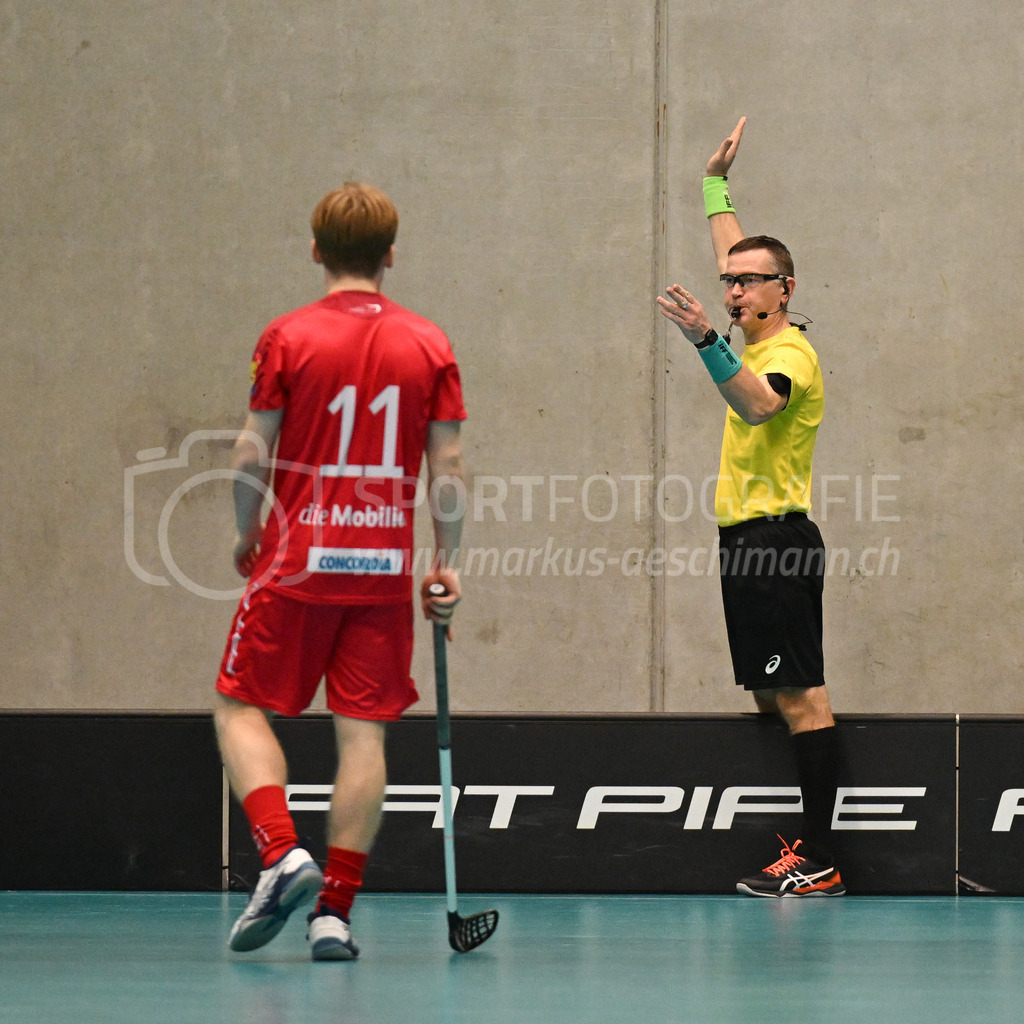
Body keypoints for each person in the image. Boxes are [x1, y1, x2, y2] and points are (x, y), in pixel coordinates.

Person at [212, 182, 467, 959]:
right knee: (364, 738)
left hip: (297, 560)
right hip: (382, 569)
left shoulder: (287, 336)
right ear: (391, 255)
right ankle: (334, 914)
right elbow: (447, 466)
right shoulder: (429, 343)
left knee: (238, 706)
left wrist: (246, 530)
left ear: (316, 249)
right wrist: (448, 563)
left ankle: (281, 851)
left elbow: (251, 451)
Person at [656, 118, 844, 897]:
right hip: (746, 543)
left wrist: (706, 340)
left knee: (801, 695)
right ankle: (810, 848)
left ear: (785, 291)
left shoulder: (787, 355)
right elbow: (738, 252)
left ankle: (820, 861)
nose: (733, 289)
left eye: (749, 282)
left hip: (776, 542)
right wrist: (712, 185)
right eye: (728, 283)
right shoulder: (753, 324)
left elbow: (762, 408)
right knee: (775, 690)